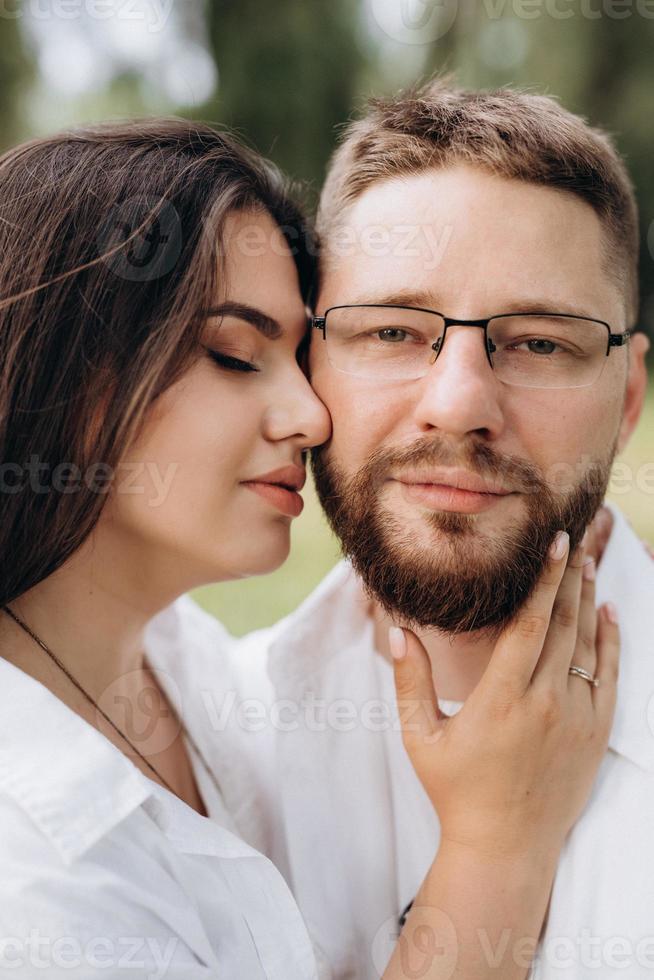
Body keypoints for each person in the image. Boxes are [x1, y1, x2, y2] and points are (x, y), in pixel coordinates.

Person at [0, 117, 620, 980]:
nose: (311, 414)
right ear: (66, 381)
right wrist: (494, 849)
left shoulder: (193, 674)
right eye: (231, 354)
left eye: (299, 352)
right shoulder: (29, 881)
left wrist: (449, 558)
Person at [151, 81, 653, 979]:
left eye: (540, 342)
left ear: (628, 398)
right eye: (391, 331)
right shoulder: (208, 749)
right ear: (308, 366)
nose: (458, 404)